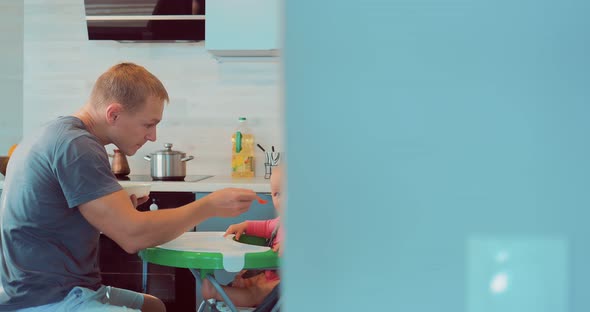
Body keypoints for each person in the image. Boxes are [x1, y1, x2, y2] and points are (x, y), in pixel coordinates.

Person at [0, 62, 258, 312]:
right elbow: (132, 236)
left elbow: (56, 219)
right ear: (113, 114)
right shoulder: (77, 146)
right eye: (148, 124)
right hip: (51, 299)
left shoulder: (56, 133)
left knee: (152, 306)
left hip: (41, 289)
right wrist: (209, 205)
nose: (153, 136)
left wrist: (114, 213)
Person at [201, 166, 284, 308]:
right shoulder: (281, 221)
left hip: (287, 284)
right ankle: (221, 291)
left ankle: (216, 291)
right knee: (244, 280)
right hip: (268, 273)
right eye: (277, 194)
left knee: (256, 293)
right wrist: (245, 225)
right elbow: (266, 226)